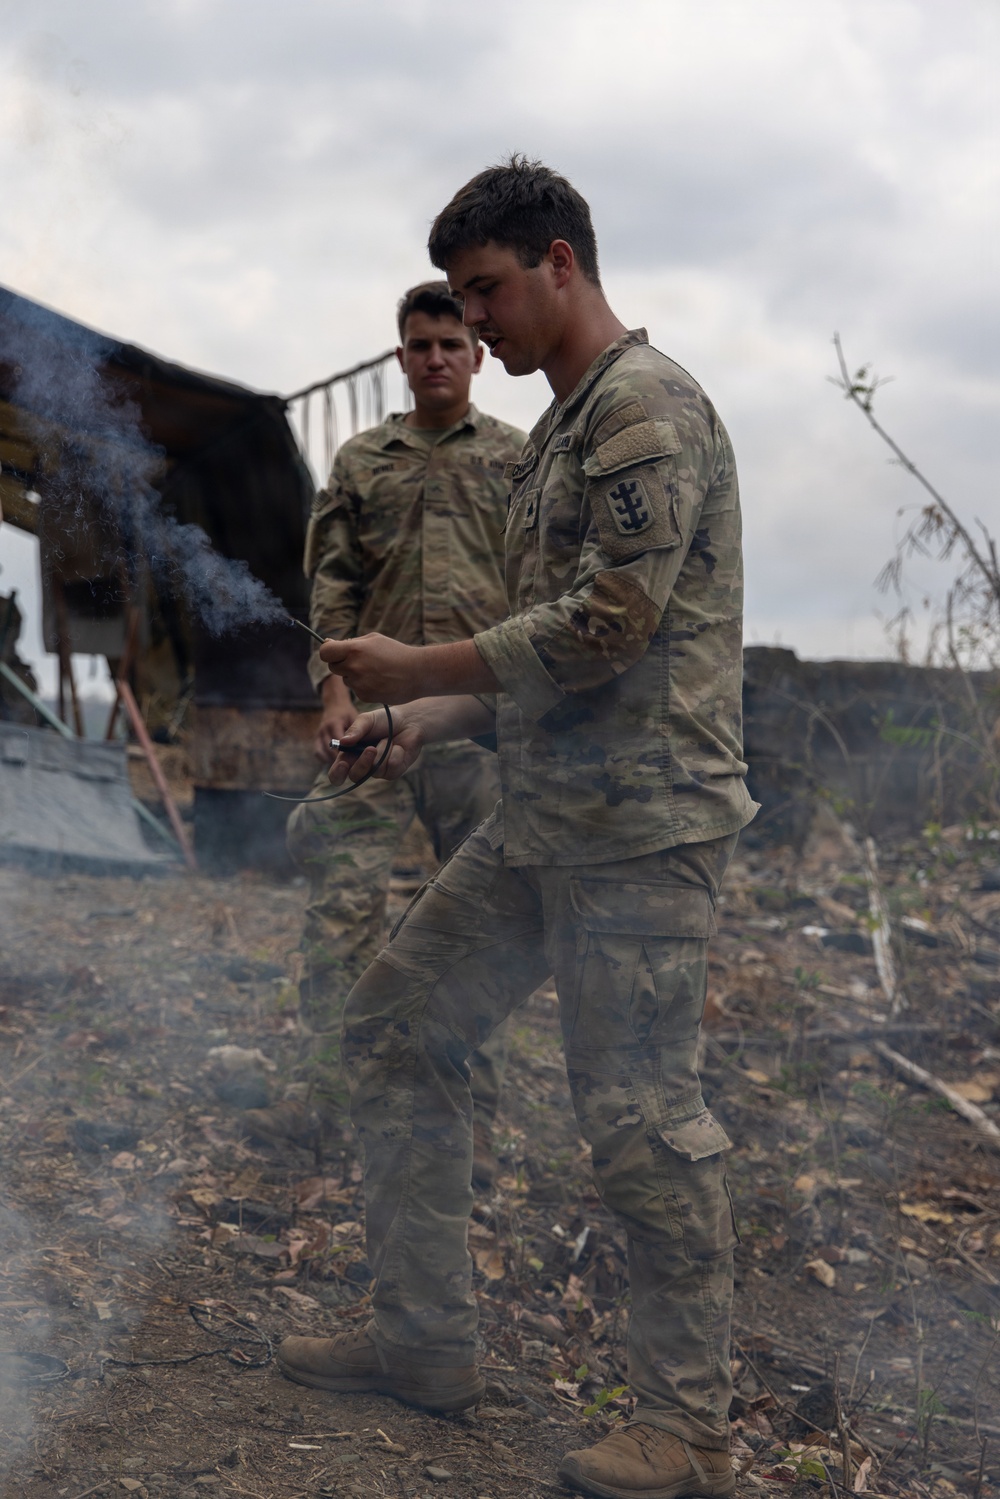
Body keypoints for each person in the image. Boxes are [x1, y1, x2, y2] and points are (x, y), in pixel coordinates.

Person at [276, 159, 757, 1499]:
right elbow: (542, 667)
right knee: (390, 1027)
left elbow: (610, 628)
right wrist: (423, 728)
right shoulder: (559, 428)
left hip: (641, 831)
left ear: (561, 261)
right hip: (540, 820)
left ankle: (688, 1426)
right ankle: (423, 1335)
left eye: (486, 291)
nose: (474, 323)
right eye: (457, 302)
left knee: (642, 1123)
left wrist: (424, 670)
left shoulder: (641, 410)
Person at [249, 282, 526, 1187]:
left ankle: (465, 1111)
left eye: (452, 342)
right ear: (401, 356)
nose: (437, 358)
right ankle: (327, 1100)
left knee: (478, 923)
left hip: (477, 723)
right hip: (370, 722)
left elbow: (536, 591)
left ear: (477, 355)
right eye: (420, 345)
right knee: (342, 904)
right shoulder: (362, 462)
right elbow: (330, 585)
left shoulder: (520, 461)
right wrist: (332, 687)